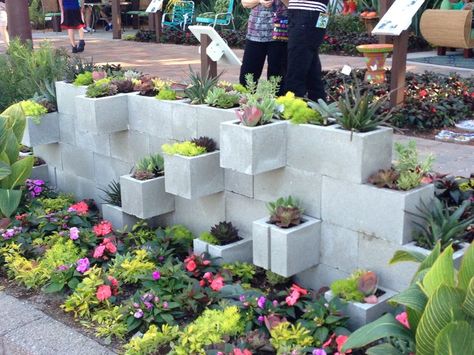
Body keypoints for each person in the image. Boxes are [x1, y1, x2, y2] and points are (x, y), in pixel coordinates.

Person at [239, 0, 288, 93]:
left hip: (279, 34)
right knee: (248, 75)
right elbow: (245, 3)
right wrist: (260, 1)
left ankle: (277, 105)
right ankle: (245, 104)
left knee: (278, 77)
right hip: (254, 33)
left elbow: (293, 5)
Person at [285, 0, 330, 101]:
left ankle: (292, 106)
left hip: (307, 14)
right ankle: (319, 104)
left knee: (296, 66)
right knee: (311, 65)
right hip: (315, 14)